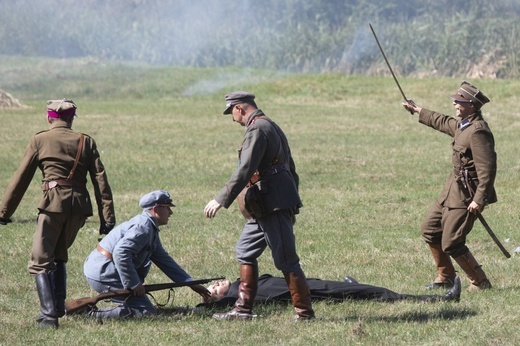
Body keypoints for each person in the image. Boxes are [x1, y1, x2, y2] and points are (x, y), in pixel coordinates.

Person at [0, 99, 116, 328]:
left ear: (48, 117)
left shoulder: (40, 139)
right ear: (72, 118)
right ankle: (57, 306)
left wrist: (4, 212)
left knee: (40, 260)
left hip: (53, 204)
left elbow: (20, 179)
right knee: (59, 254)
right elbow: (100, 181)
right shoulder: (86, 141)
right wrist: (108, 218)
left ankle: (50, 317)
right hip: (79, 209)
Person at [204, 91, 315, 321]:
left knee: (285, 259)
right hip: (264, 204)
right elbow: (290, 168)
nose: (234, 119)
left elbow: (245, 169)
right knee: (245, 250)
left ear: (240, 108)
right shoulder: (270, 125)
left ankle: (305, 313)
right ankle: (242, 309)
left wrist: (220, 199)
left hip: (272, 203)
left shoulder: (257, 129)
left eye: (232, 113)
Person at [402, 81, 496, 291]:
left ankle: (480, 282)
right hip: (451, 190)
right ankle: (446, 276)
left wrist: (479, 200)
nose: (455, 104)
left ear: (471, 105)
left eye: (459, 102)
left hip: (467, 195)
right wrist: (417, 109)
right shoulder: (463, 125)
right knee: (430, 229)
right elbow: (443, 121)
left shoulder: (478, 132)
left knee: (452, 241)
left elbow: (487, 170)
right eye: (455, 101)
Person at [83, 190, 211, 319]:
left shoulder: (149, 226)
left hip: (102, 267)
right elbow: (121, 253)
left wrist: (191, 283)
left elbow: (164, 261)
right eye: (167, 208)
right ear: (156, 209)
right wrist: (133, 284)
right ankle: (89, 314)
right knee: (145, 313)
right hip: (104, 271)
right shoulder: (144, 227)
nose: (171, 213)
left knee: (143, 308)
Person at [198, 274, 462, 310]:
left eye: (214, 284)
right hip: (309, 291)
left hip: (306, 282)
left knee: (352, 289)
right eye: (213, 290)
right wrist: (207, 302)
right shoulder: (236, 297)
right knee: (376, 293)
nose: (215, 286)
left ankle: (350, 286)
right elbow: (210, 309)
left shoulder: (244, 281)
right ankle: (440, 299)